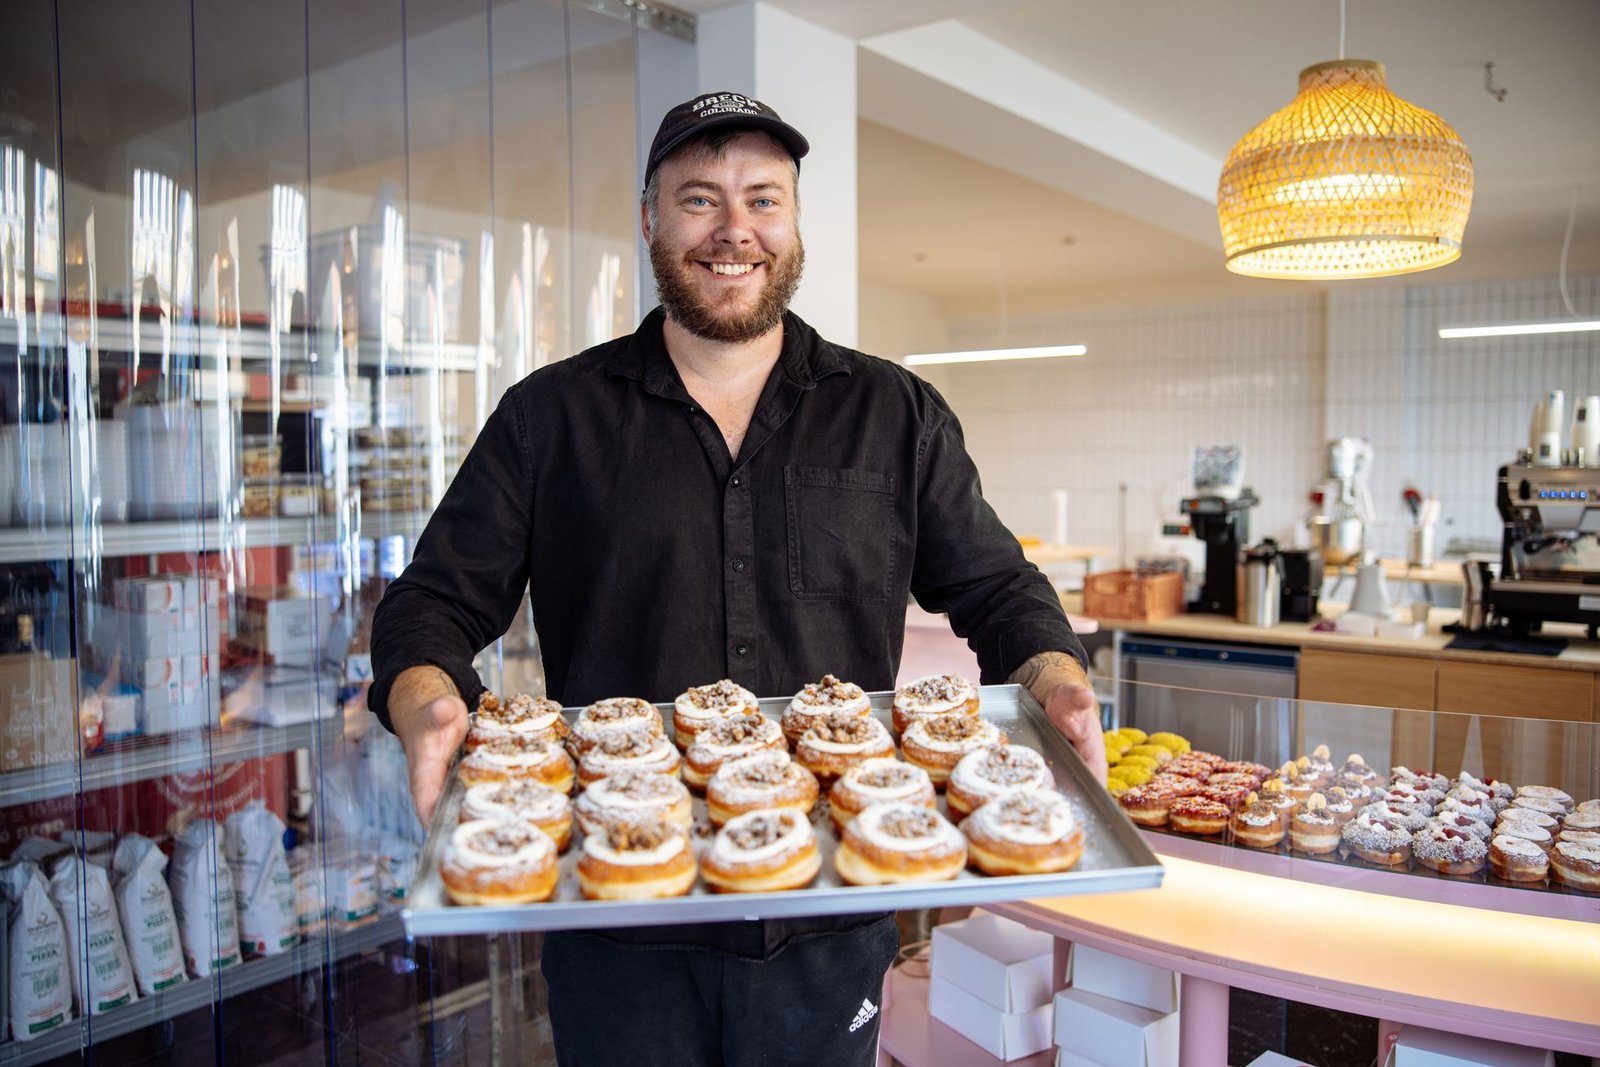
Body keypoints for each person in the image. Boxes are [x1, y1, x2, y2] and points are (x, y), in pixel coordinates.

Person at [371, 90, 1106, 1067]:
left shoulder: (895, 412)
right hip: (620, 918)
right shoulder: (550, 416)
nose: (733, 231)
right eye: (698, 199)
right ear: (649, 219)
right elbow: (431, 600)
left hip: (830, 911)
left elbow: (997, 586)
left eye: (762, 199)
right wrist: (425, 698)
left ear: (794, 222)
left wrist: (1054, 674)